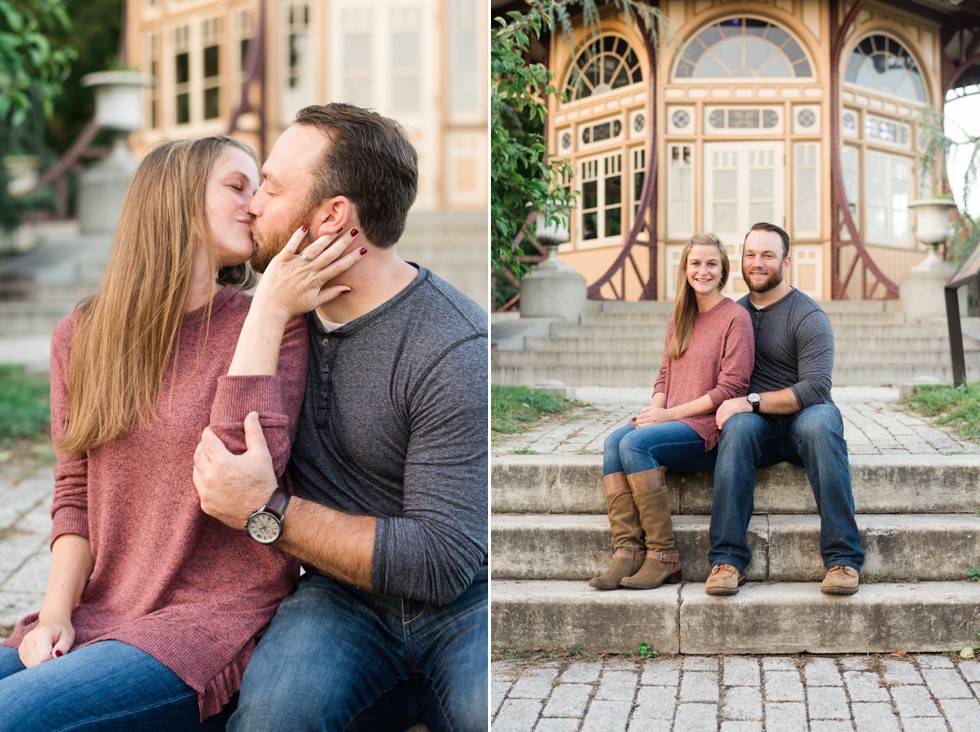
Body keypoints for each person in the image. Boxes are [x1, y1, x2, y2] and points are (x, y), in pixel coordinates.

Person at [0, 136, 363, 729]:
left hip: (206, 621)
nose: (254, 204)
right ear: (177, 199)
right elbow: (74, 493)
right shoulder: (81, 334)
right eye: (236, 186)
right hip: (100, 610)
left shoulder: (273, 325)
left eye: (259, 189)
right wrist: (55, 613)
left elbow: (242, 473)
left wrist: (269, 309)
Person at [192, 103, 488, 731]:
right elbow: (224, 467)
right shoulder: (272, 320)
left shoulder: (453, 347)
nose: (254, 204)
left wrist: (270, 511)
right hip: (335, 599)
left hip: (465, 605)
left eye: (271, 186)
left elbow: (442, 560)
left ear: (332, 216)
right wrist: (268, 306)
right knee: (270, 720)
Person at [707, 222, 865, 596]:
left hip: (803, 421)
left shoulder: (807, 315)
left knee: (822, 422)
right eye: (750, 254)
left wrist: (751, 401)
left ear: (785, 261)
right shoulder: (731, 313)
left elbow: (816, 387)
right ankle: (726, 560)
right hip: (757, 429)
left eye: (767, 255)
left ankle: (843, 558)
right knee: (739, 428)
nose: (757, 263)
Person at [591, 233, 754, 591]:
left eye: (712, 263)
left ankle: (664, 557)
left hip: (706, 430)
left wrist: (669, 417)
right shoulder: (680, 317)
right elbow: (665, 374)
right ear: (685, 269)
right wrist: (655, 410)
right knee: (614, 441)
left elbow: (731, 389)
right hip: (673, 419)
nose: (703, 270)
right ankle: (627, 552)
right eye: (696, 263)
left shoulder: (735, 318)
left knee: (635, 446)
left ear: (723, 269)